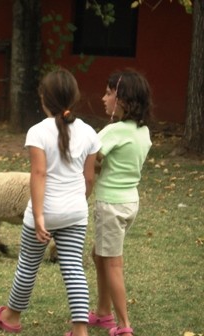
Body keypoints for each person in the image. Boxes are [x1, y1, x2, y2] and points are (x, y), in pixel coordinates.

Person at [0, 68, 101, 336]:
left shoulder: (37, 132)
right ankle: (80, 330)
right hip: (75, 213)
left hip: (44, 213)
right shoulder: (90, 133)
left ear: (43, 98)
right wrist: (76, 203)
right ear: (74, 97)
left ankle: (11, 317)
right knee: (74, 270)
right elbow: (89, 178)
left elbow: (38, 174)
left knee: (28, 264)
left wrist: (38, 217)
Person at [89, 69, 152, 336]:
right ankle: (103, 312)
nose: (103, 98)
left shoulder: (113, 131)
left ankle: (124, 325)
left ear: (123, 100)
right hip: (129, 204)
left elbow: (90, 156)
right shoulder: (143, 132)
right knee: (98, 255)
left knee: (112, 262)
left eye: (108, 93)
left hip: (110, 206)